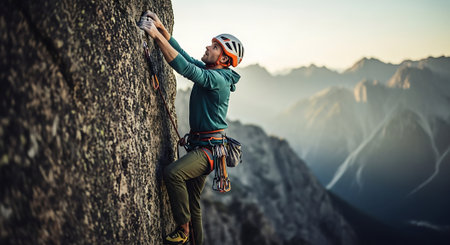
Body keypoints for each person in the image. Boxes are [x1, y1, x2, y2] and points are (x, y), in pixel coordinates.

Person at [139, 10, 244, 245]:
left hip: (207, 150)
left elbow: (185, 69)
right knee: (194, 201)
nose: (209, 46)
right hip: (205, 146)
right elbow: (185, 57)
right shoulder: (212, 71)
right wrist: (163, 31)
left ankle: (183, 229)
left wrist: (155, 36)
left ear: (224, 59)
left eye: (215, 47)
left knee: (173, 173)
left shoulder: (218, 80)